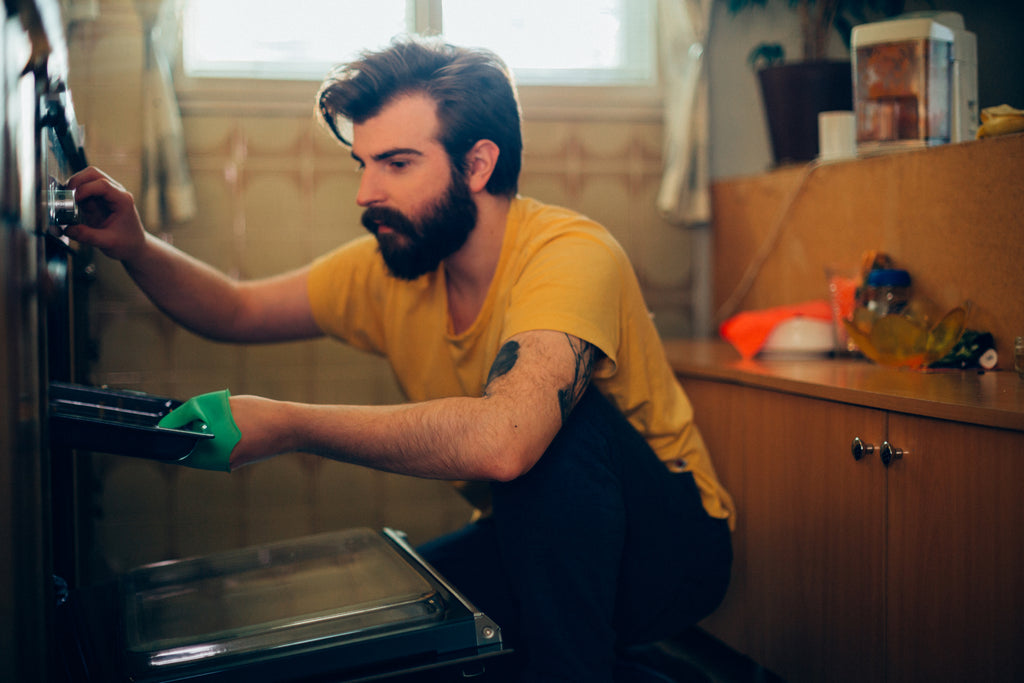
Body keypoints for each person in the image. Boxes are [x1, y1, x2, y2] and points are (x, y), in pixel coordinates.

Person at [66, 37, 734, 682]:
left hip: (669, 551)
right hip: (536, 541)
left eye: (398, 164)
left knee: (553, 421)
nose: (366, 192)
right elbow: (235, 310)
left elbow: (506, 444)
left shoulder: (569, 254)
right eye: (364, 164)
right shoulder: (397, 264)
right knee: (403, 627)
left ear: (477, 165)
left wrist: (292, 424)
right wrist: (138, 247)